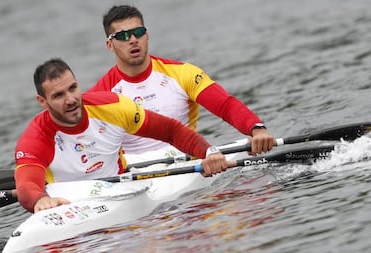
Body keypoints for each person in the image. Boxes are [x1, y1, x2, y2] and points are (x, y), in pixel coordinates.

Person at [14, 58, 228, 213]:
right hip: (71, 204)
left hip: (121, 190)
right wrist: (39, 200)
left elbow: (170, 131)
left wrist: (209, 152)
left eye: (73, 88)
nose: (70, 99)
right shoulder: (36, 138)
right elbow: (26, 187)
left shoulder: (111, 106)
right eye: (59, 95)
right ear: (42, 101)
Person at [88, 5, 275, 155]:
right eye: (123, 36)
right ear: (109, 45)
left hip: (189, 158)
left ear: (147, 35)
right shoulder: (99, 95)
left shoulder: (182, 73)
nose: (133, 40)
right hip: (136, 174)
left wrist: (257, 129)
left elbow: (225, 106)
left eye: (138, 32)